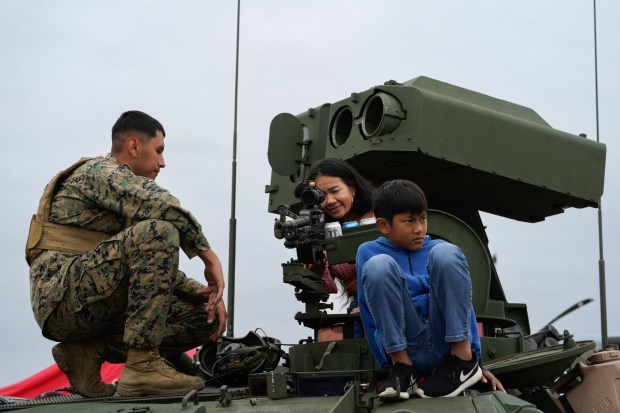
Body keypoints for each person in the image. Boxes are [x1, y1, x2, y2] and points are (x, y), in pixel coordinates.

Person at [26, 110, 227, 398]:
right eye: (158, 151)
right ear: (134, 146)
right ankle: (142, 365)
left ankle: (87, 353)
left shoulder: (123, 205)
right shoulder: (97, 173)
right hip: (61, 298)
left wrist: (204, 294)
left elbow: (152, 270)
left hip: (94, 299)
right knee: (160, 230)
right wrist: (208, 255)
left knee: (204, 319)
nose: (162, 162)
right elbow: (160, 203)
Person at [356, 179, 504, 400]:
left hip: (447, 343)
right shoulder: (369, 252)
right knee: (378, 266)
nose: (419, 228)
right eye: (409, 221)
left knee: (446, 253)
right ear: (384, 225)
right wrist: (387, 363)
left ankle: (464, 363)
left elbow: (461, 305)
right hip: (407, 347)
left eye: (423, 219)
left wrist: (478, 362)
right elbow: (370, 314)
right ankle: (402, 370)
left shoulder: (437, 250)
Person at [307, 158, 374, 338]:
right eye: (322, 196)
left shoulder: (381, 218)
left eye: (335, 191)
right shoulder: (330, 230)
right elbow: (328, 287)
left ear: (352, 187)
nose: (330, 201)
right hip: (356, 310)